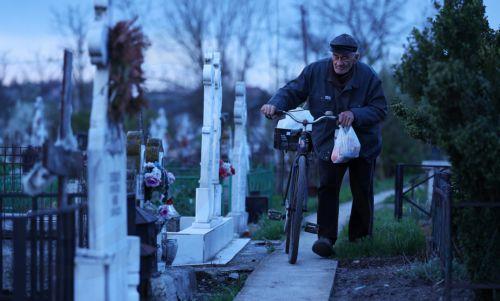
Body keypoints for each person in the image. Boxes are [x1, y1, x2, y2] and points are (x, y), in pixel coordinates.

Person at [260, 33, 387, 258]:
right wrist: (274, 104)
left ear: (355, 57)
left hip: (362, 142)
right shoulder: (315, 71)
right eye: (336, 57)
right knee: (327, 187)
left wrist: (355, 114)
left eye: (345, 58)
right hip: (328, 137)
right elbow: (293, 90)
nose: (339, 62)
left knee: (362, 190)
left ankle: (360, 240)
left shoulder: (368, 77)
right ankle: (325, 238)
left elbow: (380, 109)